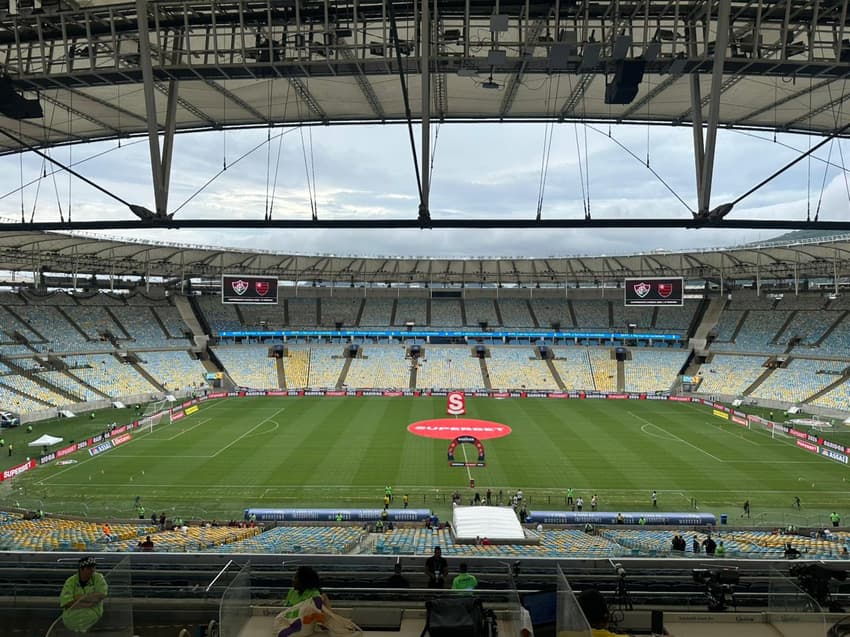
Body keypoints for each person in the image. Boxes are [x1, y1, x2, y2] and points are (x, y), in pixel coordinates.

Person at [60, 556, 108, 633]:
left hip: (93, 622)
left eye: (94, 568)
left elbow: (101, 595)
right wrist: (89, 602)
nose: (92, 571)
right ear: (81, 569)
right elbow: (66, 603)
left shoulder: (98, 578)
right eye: (89, 568)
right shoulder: (70, 581)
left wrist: (79, 598)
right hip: (71, 622)